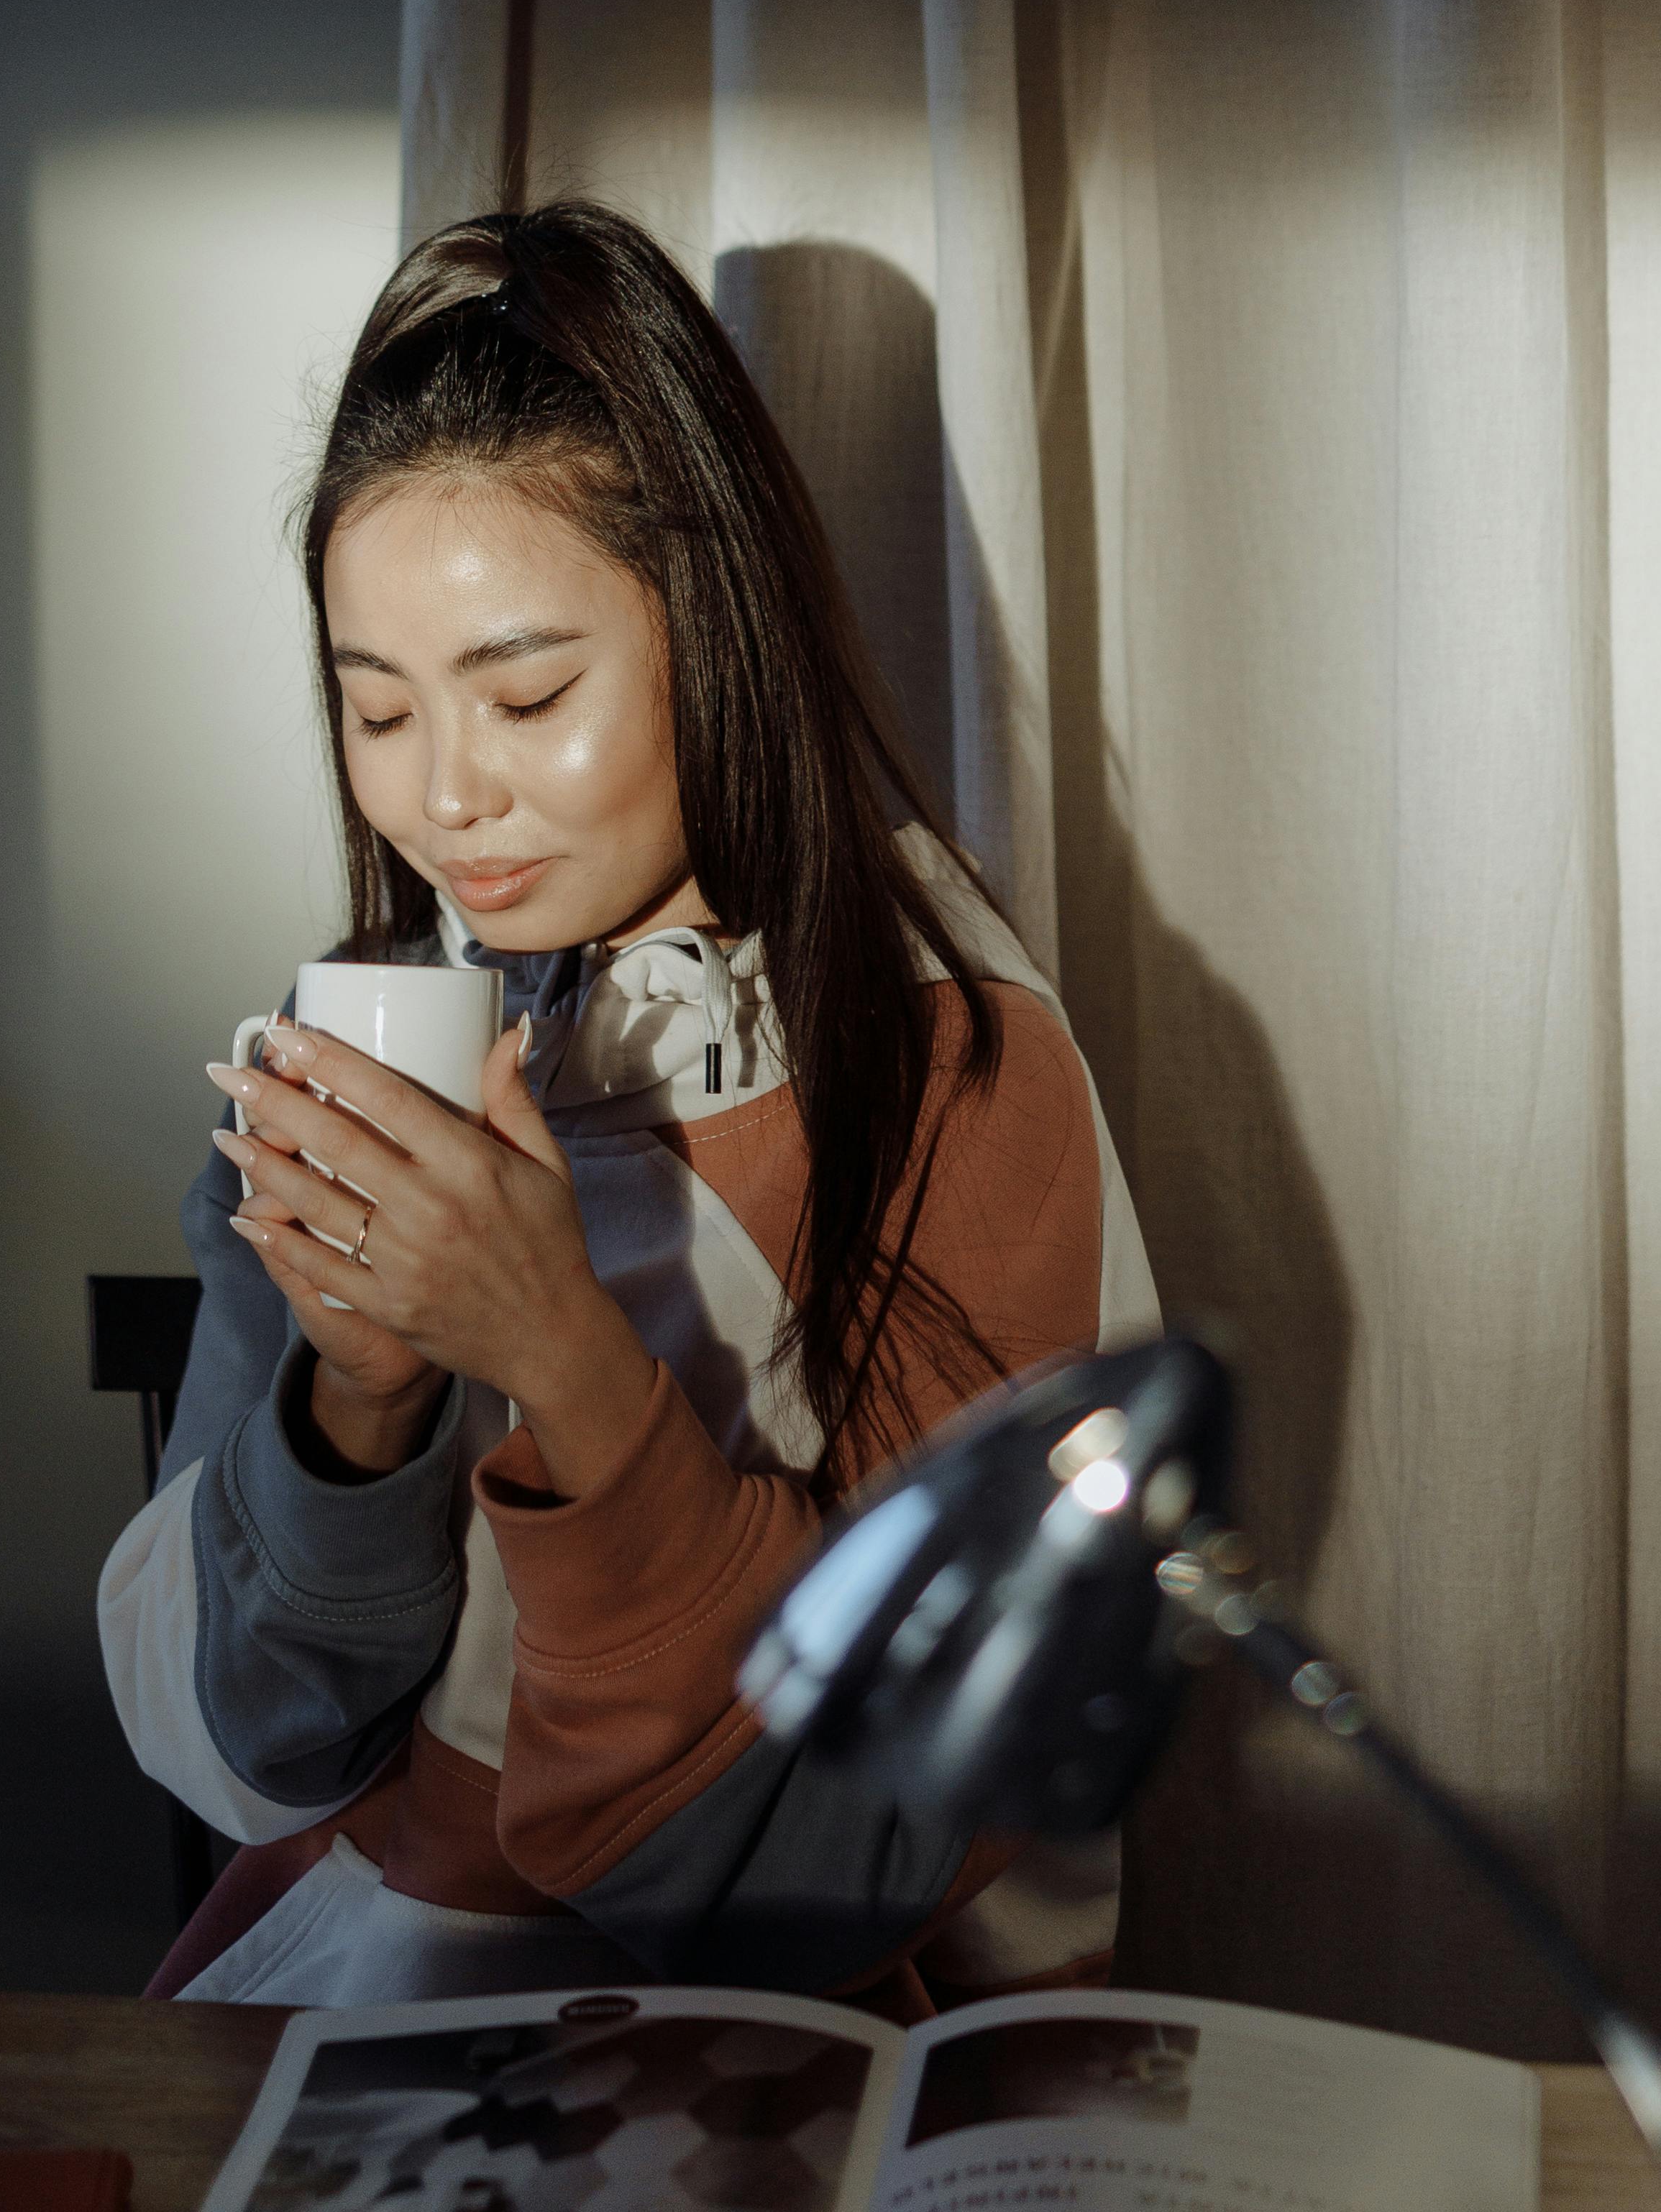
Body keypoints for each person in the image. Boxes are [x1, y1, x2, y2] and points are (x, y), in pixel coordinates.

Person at [99, 202, 1153, 2010]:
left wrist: (562, 1356)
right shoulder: (367, 1033)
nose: (447, 801)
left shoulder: (940, 1060)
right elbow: (240, 1750)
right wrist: (359, 1397)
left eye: (526, 694)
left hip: (764, 2041)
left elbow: (874, 1848)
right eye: (375, 710)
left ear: (714, 624)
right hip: (362, 1967)